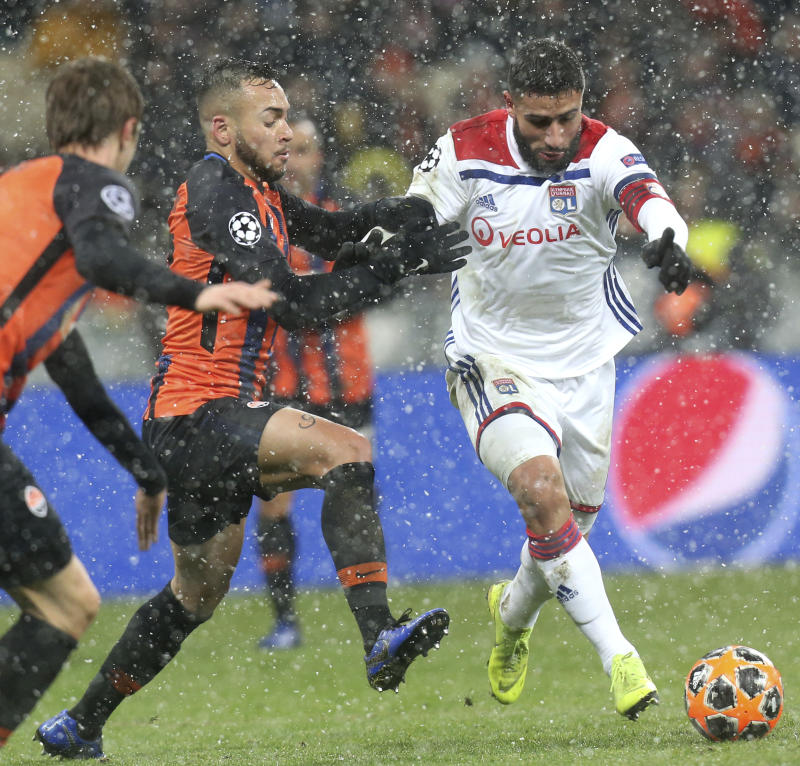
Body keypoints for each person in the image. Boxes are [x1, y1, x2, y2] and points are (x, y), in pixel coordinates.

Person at [36, 58, 470, 759]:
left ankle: (81, 724)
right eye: (270, 119)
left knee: (191, 598)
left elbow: (335, 233)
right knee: (347, 452)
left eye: (289, 118)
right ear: (223, 127)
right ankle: (378, 636)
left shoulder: (262, 197)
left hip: (200, 424)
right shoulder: (214, 187)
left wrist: (414, 222)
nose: (288, 133)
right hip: (197, 413)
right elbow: (294, 304)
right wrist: (391, 265)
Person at [404, 38, 693, 718]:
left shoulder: (602, 148)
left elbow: (650, 200)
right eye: (540, 122)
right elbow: (413, 212)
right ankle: (621, 660)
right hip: (491, 359)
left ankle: (510, 617)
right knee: (540, 491)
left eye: (568, 116)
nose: (557, 134)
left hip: (586, 365)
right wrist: (413, 243)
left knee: (563, 527)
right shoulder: (463, 149)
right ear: (510, 108)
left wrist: (669, 240)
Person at [0, 57, 278, 750]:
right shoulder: (94, 185)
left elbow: (70, 367)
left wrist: (143, 468)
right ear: (127, 131)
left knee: (64, 602)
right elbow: (100, 255)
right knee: (67, 606)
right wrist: (196, 293)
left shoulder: (20, 193)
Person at [254, 116, 378, 651]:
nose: (298, 160)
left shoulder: (338, 223)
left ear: (319, 159)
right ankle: (285, 620)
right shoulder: (260, 226)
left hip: (346, 385)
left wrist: (327, 294)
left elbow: (376, 289)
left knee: (357, 499)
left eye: (306, 150)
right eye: (291, 150)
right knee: (274, 501)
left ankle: (375, 620)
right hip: (282, 383)